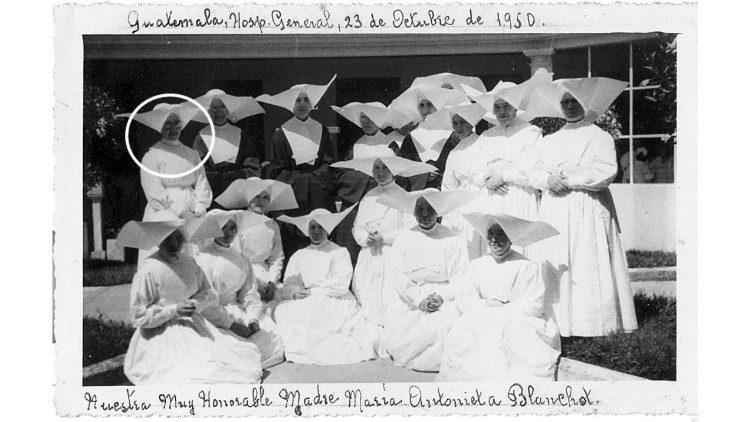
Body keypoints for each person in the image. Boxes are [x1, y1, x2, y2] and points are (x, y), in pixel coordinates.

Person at [525, 76, 638, 337]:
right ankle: (558, 323)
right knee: (557, 260)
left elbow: (605, 172)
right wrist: (549, 180)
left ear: (584, 103)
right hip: (556, 207)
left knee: (587, 261)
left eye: (574, 101)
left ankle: (594, 325)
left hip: (588, 205)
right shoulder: (549, 140)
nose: (569, 106)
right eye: (565, 102)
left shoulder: (600, 137)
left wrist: (571, 181)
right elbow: (534, 172)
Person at [116, 213, 262, 384]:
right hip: (161, 333)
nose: (175, 244)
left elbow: (206, 291)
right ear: (158, 240)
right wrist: (174, 310)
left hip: (193, 324)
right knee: (187, 372)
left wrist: (194, 303)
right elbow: (138, 316)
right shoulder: (148, 271)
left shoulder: (189, 262)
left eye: (179, 238)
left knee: (229, 360)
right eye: (168, 238)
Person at [437, 212, 561, 381]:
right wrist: (485, 305)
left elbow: (534, 304)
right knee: (469, 334)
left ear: (511, 238)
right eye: (491, 234)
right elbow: (465, 295)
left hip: (516, 318)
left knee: (508, 341)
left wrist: (504, 308)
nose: (494, 240)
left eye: (501, 234)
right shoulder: (477, 265)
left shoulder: (527, 266)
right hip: (482, 313)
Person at [331, 155, 436, 342]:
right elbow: (357, 227)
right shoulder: (369, 196)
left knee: (390, 300)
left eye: (384, 168)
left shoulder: (403, 196)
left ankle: (392, 337)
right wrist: (366, 238)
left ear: (393, 170)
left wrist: (385, 238)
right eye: (376, 168)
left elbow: (410, 230)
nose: (380, 173)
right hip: (369, 256)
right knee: (367, 301)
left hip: (391, 255)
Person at [376, 189, 477, 371]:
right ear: (413, 211)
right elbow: (399, 276)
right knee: (407, 334)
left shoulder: (452, 238)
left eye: (430, 209)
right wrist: (418, 300)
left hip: (445, 296)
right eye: (419, 209)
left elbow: (460, 276)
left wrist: (441, 297)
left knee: (446, 326)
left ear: (439, 211)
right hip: (413, 296)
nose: (424, 214)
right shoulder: (404, 238)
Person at [273, 207, 380, 365]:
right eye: (312, 227)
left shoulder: (339, 252)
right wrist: (295, 292)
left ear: (328, 229)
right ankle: (303, 349)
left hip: (333, 296)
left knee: (320, 311)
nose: (316, 231)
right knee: (282, 311)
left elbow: (341, 284)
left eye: (321, 227)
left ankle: (318, 350)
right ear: (307, 230)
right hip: (306, 296)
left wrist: (314, 292)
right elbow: (290, 281)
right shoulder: (300, 254)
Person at [257, 76, 338, 260]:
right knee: (294, 245)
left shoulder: (322, 130)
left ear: (311, 104)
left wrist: (312, 181)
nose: (302, 104)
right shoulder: (281, 134)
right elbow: (277, 170)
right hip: (293, 199)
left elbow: (329, 164)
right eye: (297, 100)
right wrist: (303, 181)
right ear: (291, 105)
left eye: (306, 99)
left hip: (318, 195)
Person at [124, 102, 213, 268]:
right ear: (159, 126)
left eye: (176, 123)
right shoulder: (152, 156)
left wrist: (199, 208)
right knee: (169, 256)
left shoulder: (192, 154)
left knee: (197, 259)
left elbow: (202, 182)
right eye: (167, 124)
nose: (173, 129)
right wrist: (181, 212)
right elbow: (154, 192)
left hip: (192, 209)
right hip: (164, 211)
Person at [195, 210, 285, 369]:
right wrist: (231, 325)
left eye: (232, 228)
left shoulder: (241, 259)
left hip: (237, 311)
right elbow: (207, 303)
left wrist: (252, 319)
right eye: (223, 228)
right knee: (234, 351)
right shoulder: (204, 258)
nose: (228, 233)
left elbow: (250, 294)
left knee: (272, 339)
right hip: (214, 315)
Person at [215, 177, 298, 315]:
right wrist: (257, 284)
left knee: (282, 308)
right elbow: (237, 256)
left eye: (265, 197)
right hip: (244, 275)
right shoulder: (238, 220)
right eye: (257, 196)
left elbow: (277, 258)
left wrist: (271, 282)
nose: (261, 201)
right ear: (249, 197)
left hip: (266, 275)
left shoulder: (272, 225)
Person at [190, 89, 266, 198]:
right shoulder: (201, 137)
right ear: (208, 111)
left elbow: (253, 166)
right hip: (212, 191)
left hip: (238, 189)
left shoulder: (240, 134)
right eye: (214, 108)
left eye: (222, 107)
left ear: (228, 110)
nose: (218, 112)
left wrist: (239, 177)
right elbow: (198, 169)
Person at [389, 84, 466, 190]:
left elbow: (461, 170)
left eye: (429, 104)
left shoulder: (453, 137)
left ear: (438, 106)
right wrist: (424, 176)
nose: (425, 110)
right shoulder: (411, 138)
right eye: (421, 105)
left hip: (446, 192)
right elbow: (403, 172)